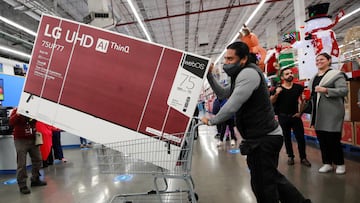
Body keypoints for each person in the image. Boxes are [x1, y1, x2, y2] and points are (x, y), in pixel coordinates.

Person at [201, 41, 311, 203]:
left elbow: (233, 104)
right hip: (259, 137)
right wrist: (209, 75)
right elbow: (224, 94)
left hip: (264, 138)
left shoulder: (249, 74)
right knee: (271, 178)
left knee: (263, 186)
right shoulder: (238, 74)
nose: (226, 63)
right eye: (225, 59)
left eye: (230, 59)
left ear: (244, 59)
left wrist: (212, 121)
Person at [308, 52, 348, 174]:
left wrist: (326, 90)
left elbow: (343, 91)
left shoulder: (336, 75)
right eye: (317, 60)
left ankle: (340, 164)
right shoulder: (315, 77)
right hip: (318, 113)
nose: (319, 61)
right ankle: (327, 163)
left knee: (333, 139)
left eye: (322, 59)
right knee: (322, 139)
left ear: (329, 60)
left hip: (332, 113)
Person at [270, 68, 311, 167]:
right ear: (282, 77)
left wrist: (300, 113)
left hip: (295, 117)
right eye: (287, 74)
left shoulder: (298, 87)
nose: (290, 75)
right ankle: (290, 156)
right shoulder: (277, 88)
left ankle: (303, 157)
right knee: (287, 138)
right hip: (283, 117)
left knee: (300, 138)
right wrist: (276, 94)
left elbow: (303, 101)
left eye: (291, 73)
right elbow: (271, 101)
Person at [9, 108, 47, 194]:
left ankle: (35, 179)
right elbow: (11, 122)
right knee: (21, 163)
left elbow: (35, 121)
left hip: (32, 138)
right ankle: (22, 185)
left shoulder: (32, 109)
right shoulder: (16, 110)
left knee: (38, 159)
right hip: (20, 140)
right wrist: (18, 114)